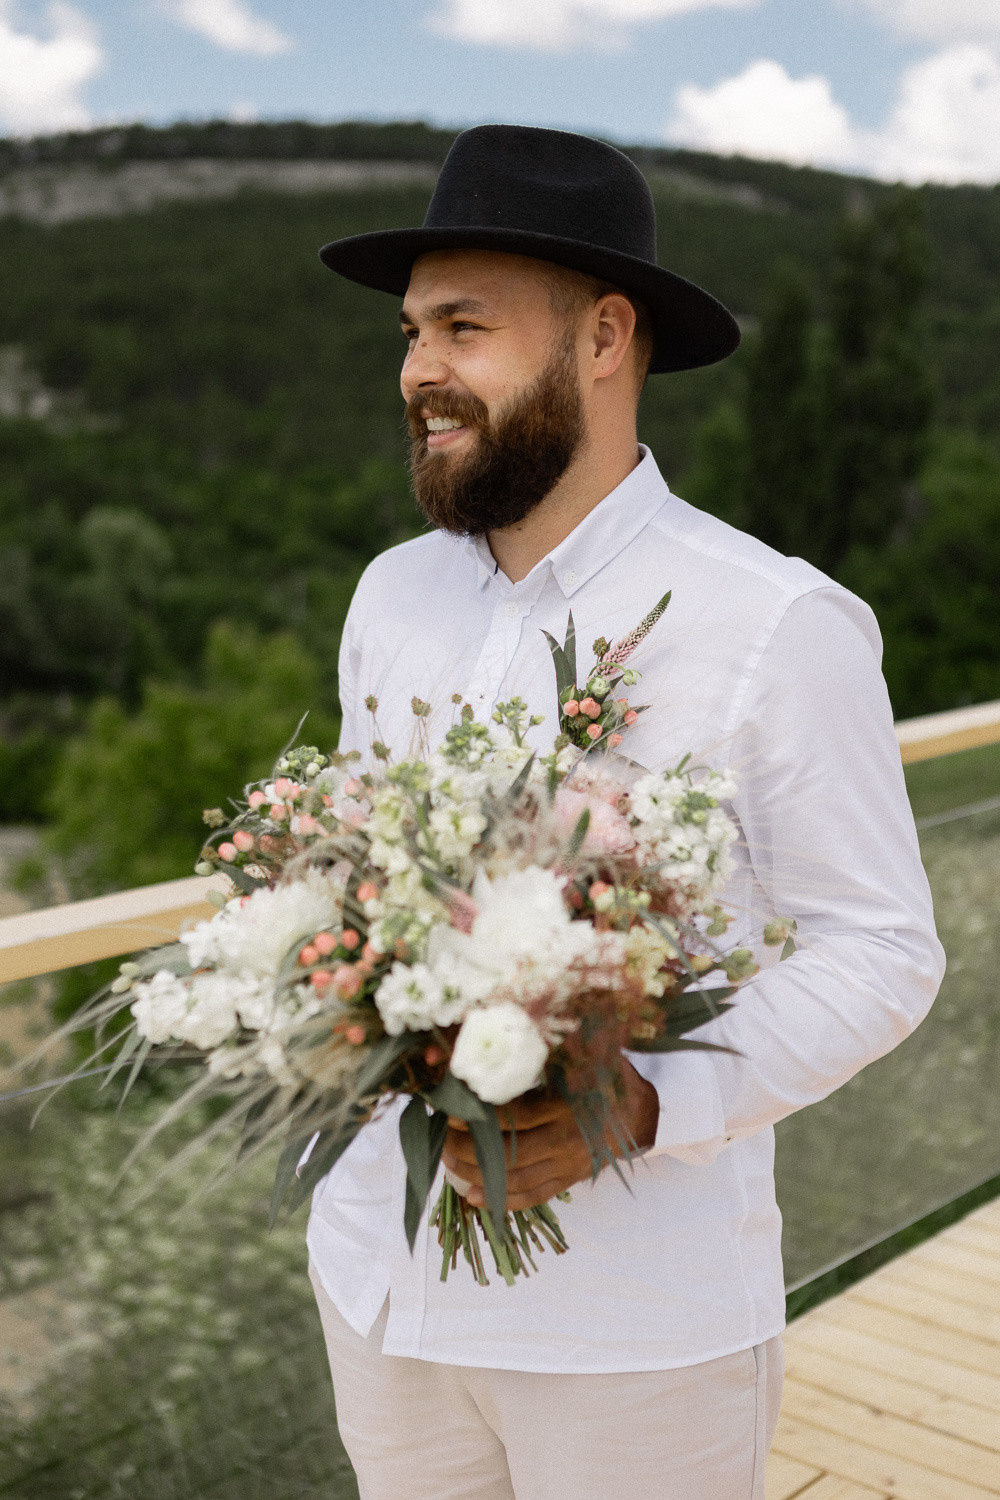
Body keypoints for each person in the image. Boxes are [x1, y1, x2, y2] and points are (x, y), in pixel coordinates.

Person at [305, 125, 944, 1500]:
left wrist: (645, 1101)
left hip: (633, 1333)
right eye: (414, 331)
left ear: (604, 337)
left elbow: (883, 951)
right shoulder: (386, 596)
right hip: (378, 1288)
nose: (419, 369)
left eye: (463, 327)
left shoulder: (778, 623)